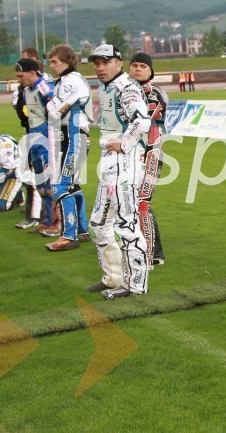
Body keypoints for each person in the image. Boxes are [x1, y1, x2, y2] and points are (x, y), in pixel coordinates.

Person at [87, 44, 151, 299]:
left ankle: (135, 284)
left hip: (126, 162)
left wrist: (124, 143)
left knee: (127, 222)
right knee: (99, 223)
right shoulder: (107, 87)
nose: (100, 68)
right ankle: (113, 277)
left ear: (118, 63)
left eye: (105, 62)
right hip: (110, 162)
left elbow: (142, 120)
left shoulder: (127, 87)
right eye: (96, 63)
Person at [45, 45, 92, 251]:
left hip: (74, 139)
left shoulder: (71, 81)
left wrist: (49, 99)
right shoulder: (67, 81)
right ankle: (82, 230)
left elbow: (55, 110)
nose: (51, 65)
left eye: (55, 61)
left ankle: (68, 236)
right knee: (72, 185)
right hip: (72, 138)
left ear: (66, 60)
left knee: (59, 187)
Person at [128, 52, 169, 267]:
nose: (137, 69)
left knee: (143, 202)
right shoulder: (124, 92)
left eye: (142, 66)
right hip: (130, 155)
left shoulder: (156, 93)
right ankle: (140, 247)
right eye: (134, 65)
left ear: (150, 71)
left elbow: (143, 120)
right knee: (131, 202)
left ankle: (152, 254)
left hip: (152, 153)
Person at [15, 58, 57, 235]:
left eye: (21, 75)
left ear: (32, 72)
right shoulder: (26, 91)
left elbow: (57, 110)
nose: (19, 79)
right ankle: (46, 221)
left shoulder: (44, 87)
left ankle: (56, 223)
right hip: (33, 138)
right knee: (40, 183)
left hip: (46, 138)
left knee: (50, 182)